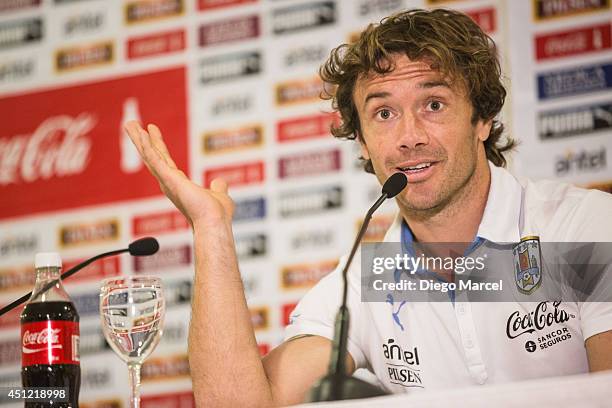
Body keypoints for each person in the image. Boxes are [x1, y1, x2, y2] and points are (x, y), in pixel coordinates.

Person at [124, 8, 612, 406]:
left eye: (434, 105)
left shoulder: (580, 227)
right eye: (383, 113)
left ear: (482, 118)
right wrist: (210, 228)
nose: (409, 137)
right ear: (361, 141)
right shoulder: (367, 279)